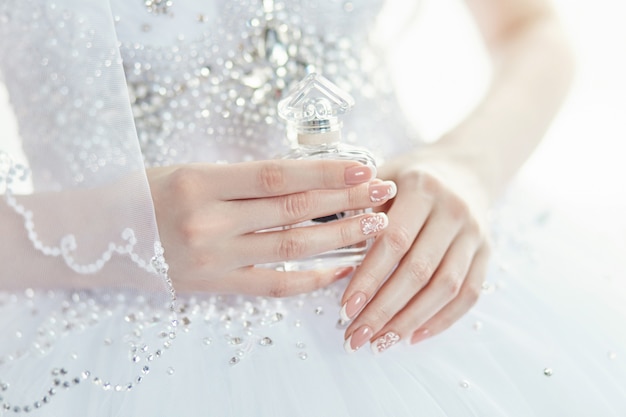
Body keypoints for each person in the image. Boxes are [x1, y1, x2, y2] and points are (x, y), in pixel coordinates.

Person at [0, 0, 624, 415]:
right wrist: (105, 229)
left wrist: (470, 163)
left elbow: (531, 26)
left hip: (415, 262)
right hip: (105, 329)